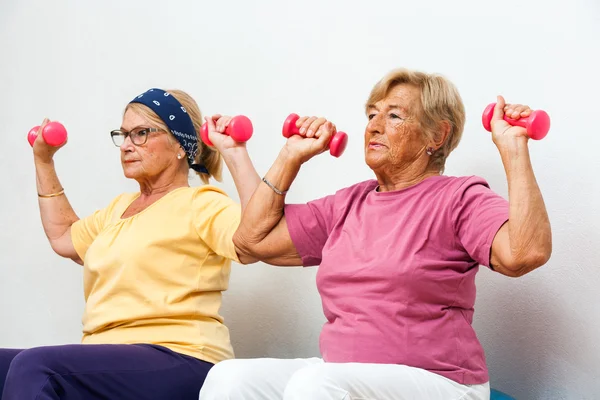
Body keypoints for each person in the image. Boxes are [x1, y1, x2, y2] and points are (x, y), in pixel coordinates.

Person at [199, 68, 553, 400]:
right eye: (371, 115)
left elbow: (524, 254)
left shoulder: (459, 197)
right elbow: (253, 239)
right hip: (344, 375)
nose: (374, 127)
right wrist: (289, 155)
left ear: (437, 135)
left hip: (441, 380)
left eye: (394, 116)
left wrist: (513, 147)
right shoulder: (348, 203)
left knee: (317, 384)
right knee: (229, 378)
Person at [0, 88, 259, 399]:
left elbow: (253, 238)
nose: (125, 146)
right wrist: (43, 160)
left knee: (37, 366)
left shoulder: (202, 204)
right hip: (109, 356)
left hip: (181, 356)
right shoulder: (119, 208)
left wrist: (236, 153)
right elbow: (63, 236)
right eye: (122, 135)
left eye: (141, 134)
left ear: (180, 144)